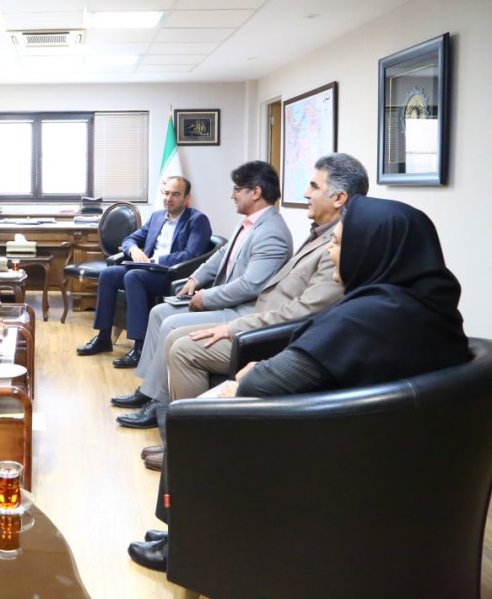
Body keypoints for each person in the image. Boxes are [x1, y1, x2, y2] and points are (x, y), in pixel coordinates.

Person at [127, 194, 472, 572]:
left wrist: (252, 374)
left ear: (370, 249)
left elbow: (262, 386)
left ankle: (190, 542)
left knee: (193, 417)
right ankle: (183, 528)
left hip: (324, 456)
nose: (331, 253)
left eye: (338, 244)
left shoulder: (367, 318)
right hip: (384, 457)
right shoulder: (430, 306)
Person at [131, 153, 368, 469]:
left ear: (339, 198)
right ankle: (169, 424)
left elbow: (289, 302)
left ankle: (191, 449)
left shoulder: (325, 238)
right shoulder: (319, 232)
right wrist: (196, 280)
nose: (306, 193)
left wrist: (226, 317)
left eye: (313, 186)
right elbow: (220, 258)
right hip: (260, 320)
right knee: (169, 325)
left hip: (264, 327)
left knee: (182, 345)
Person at [116, 161, 292, 430]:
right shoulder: (249, 223)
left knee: (170, 324)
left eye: (237, 189)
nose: (232, 195)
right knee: (159, 312)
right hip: (227, 301)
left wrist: (206, 297)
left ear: (255, 192)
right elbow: (221, 255)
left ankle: (157, 403)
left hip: (243, 310)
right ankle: (148, 391)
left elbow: (250, 286)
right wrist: (195, 278)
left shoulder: (272, 233)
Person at [75, 176, 213, 368]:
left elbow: (192, 255)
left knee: (133, 277)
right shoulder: (157, 217)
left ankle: (140, 348)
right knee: (108, 274)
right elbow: (129, 239)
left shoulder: (197, 220)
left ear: (186, 197)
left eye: (175, 194)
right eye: (166, 193)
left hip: (172, 275)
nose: (169, 199)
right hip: (147, 270)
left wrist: (155, 260)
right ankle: (103, 337)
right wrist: (134, 250)